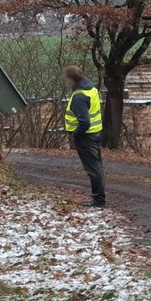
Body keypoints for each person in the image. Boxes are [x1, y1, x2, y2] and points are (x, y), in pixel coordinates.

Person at [63, 65, 106, 207]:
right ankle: (99, 197)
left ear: (71, 79)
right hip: (95, 133)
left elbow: (84, 122)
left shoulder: (79, 96)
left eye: (66, 78)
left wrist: (76, 135)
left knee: (93, 169)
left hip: (86, 137)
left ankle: (98, 200)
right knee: (97, 167)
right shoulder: (91, 89)